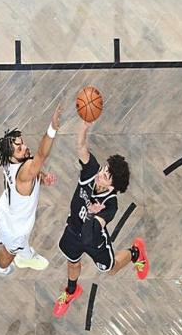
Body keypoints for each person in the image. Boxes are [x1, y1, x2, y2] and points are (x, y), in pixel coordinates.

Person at [53, 120, 149, 318]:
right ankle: (71, 291)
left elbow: (90, 235)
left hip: (94, 240)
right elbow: (81, 146)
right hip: (73, 229)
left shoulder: (110, 205)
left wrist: (91, 214)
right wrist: (84, 125)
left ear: (112, 187)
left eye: (107, 176)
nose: (102, 174)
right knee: (72, 263)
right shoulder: (91, 171)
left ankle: (135, 253)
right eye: (105, 169)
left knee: (110, 269)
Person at [0, 105, 63, 276]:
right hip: (16, 227)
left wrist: (42, 177)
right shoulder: (24, 172)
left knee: (12, 243)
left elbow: (31, 169)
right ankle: (1, 268)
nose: (25, 147)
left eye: (22, 143)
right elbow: (41, 156)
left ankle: (21, 251)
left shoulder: (9, 161)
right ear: (12, 156)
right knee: (9, 252)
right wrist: (52, 128)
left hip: (6, 209)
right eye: (19, 148)